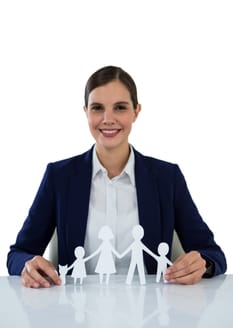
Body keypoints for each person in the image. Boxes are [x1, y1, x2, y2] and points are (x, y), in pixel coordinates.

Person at [7, 65, 227, 288]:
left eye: (120, 108)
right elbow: (18, 254)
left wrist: (202, 263)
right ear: (85, 112)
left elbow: (212, 254)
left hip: (152, 313)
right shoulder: (59, 177)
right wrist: (28, 265)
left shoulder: (167, 178)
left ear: (136, 111)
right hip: (76, 313)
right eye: (97, 108)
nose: (107, 119)